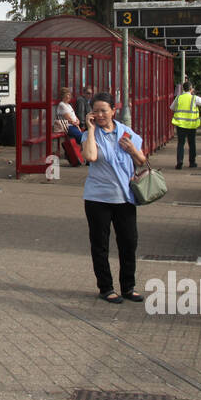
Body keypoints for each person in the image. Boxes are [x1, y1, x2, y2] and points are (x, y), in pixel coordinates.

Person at [81, 92, 147, 303]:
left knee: (129, 242)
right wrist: (90, 130)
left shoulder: (126, 133)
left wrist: (132, 150)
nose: (100, 115)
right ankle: (106, 288)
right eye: (96, 111)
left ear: (113, 111)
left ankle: (128, 287)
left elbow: (142, 160)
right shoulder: (89, 134)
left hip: (125, 198)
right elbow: (90, 157)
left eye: (104, 110)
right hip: (97, 198)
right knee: (100, 244)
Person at [169, 80, 201, 169]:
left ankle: (180, 161)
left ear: (183, 89)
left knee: (180, 144)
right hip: (191, 125)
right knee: (192, 144)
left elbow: (172, 108)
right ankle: (192, 162)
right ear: (191, 89)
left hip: (180, 125)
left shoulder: (179, 97)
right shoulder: (195, 98)